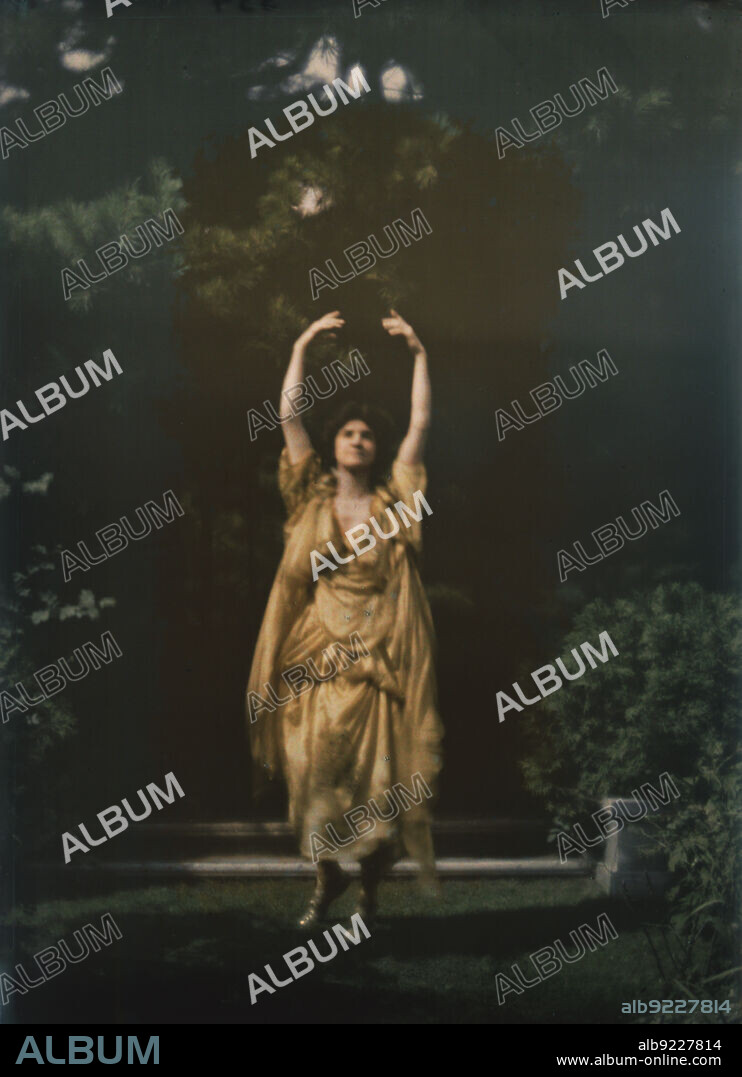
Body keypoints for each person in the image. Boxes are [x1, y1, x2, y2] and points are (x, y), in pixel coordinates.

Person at [246, 309, 443, 928]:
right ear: (333, 445)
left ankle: (369, 890)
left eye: (366, 435)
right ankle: (325, 879)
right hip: (315, 658)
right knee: (312, 774)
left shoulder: (395, 503)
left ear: (376, 447)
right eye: (347, 433)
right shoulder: (309, 496)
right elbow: (289, 415)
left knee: (376, 786)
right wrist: (302, 343)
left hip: (376, 659)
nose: (357, 440)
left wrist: (419, 354)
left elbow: (421, 422)